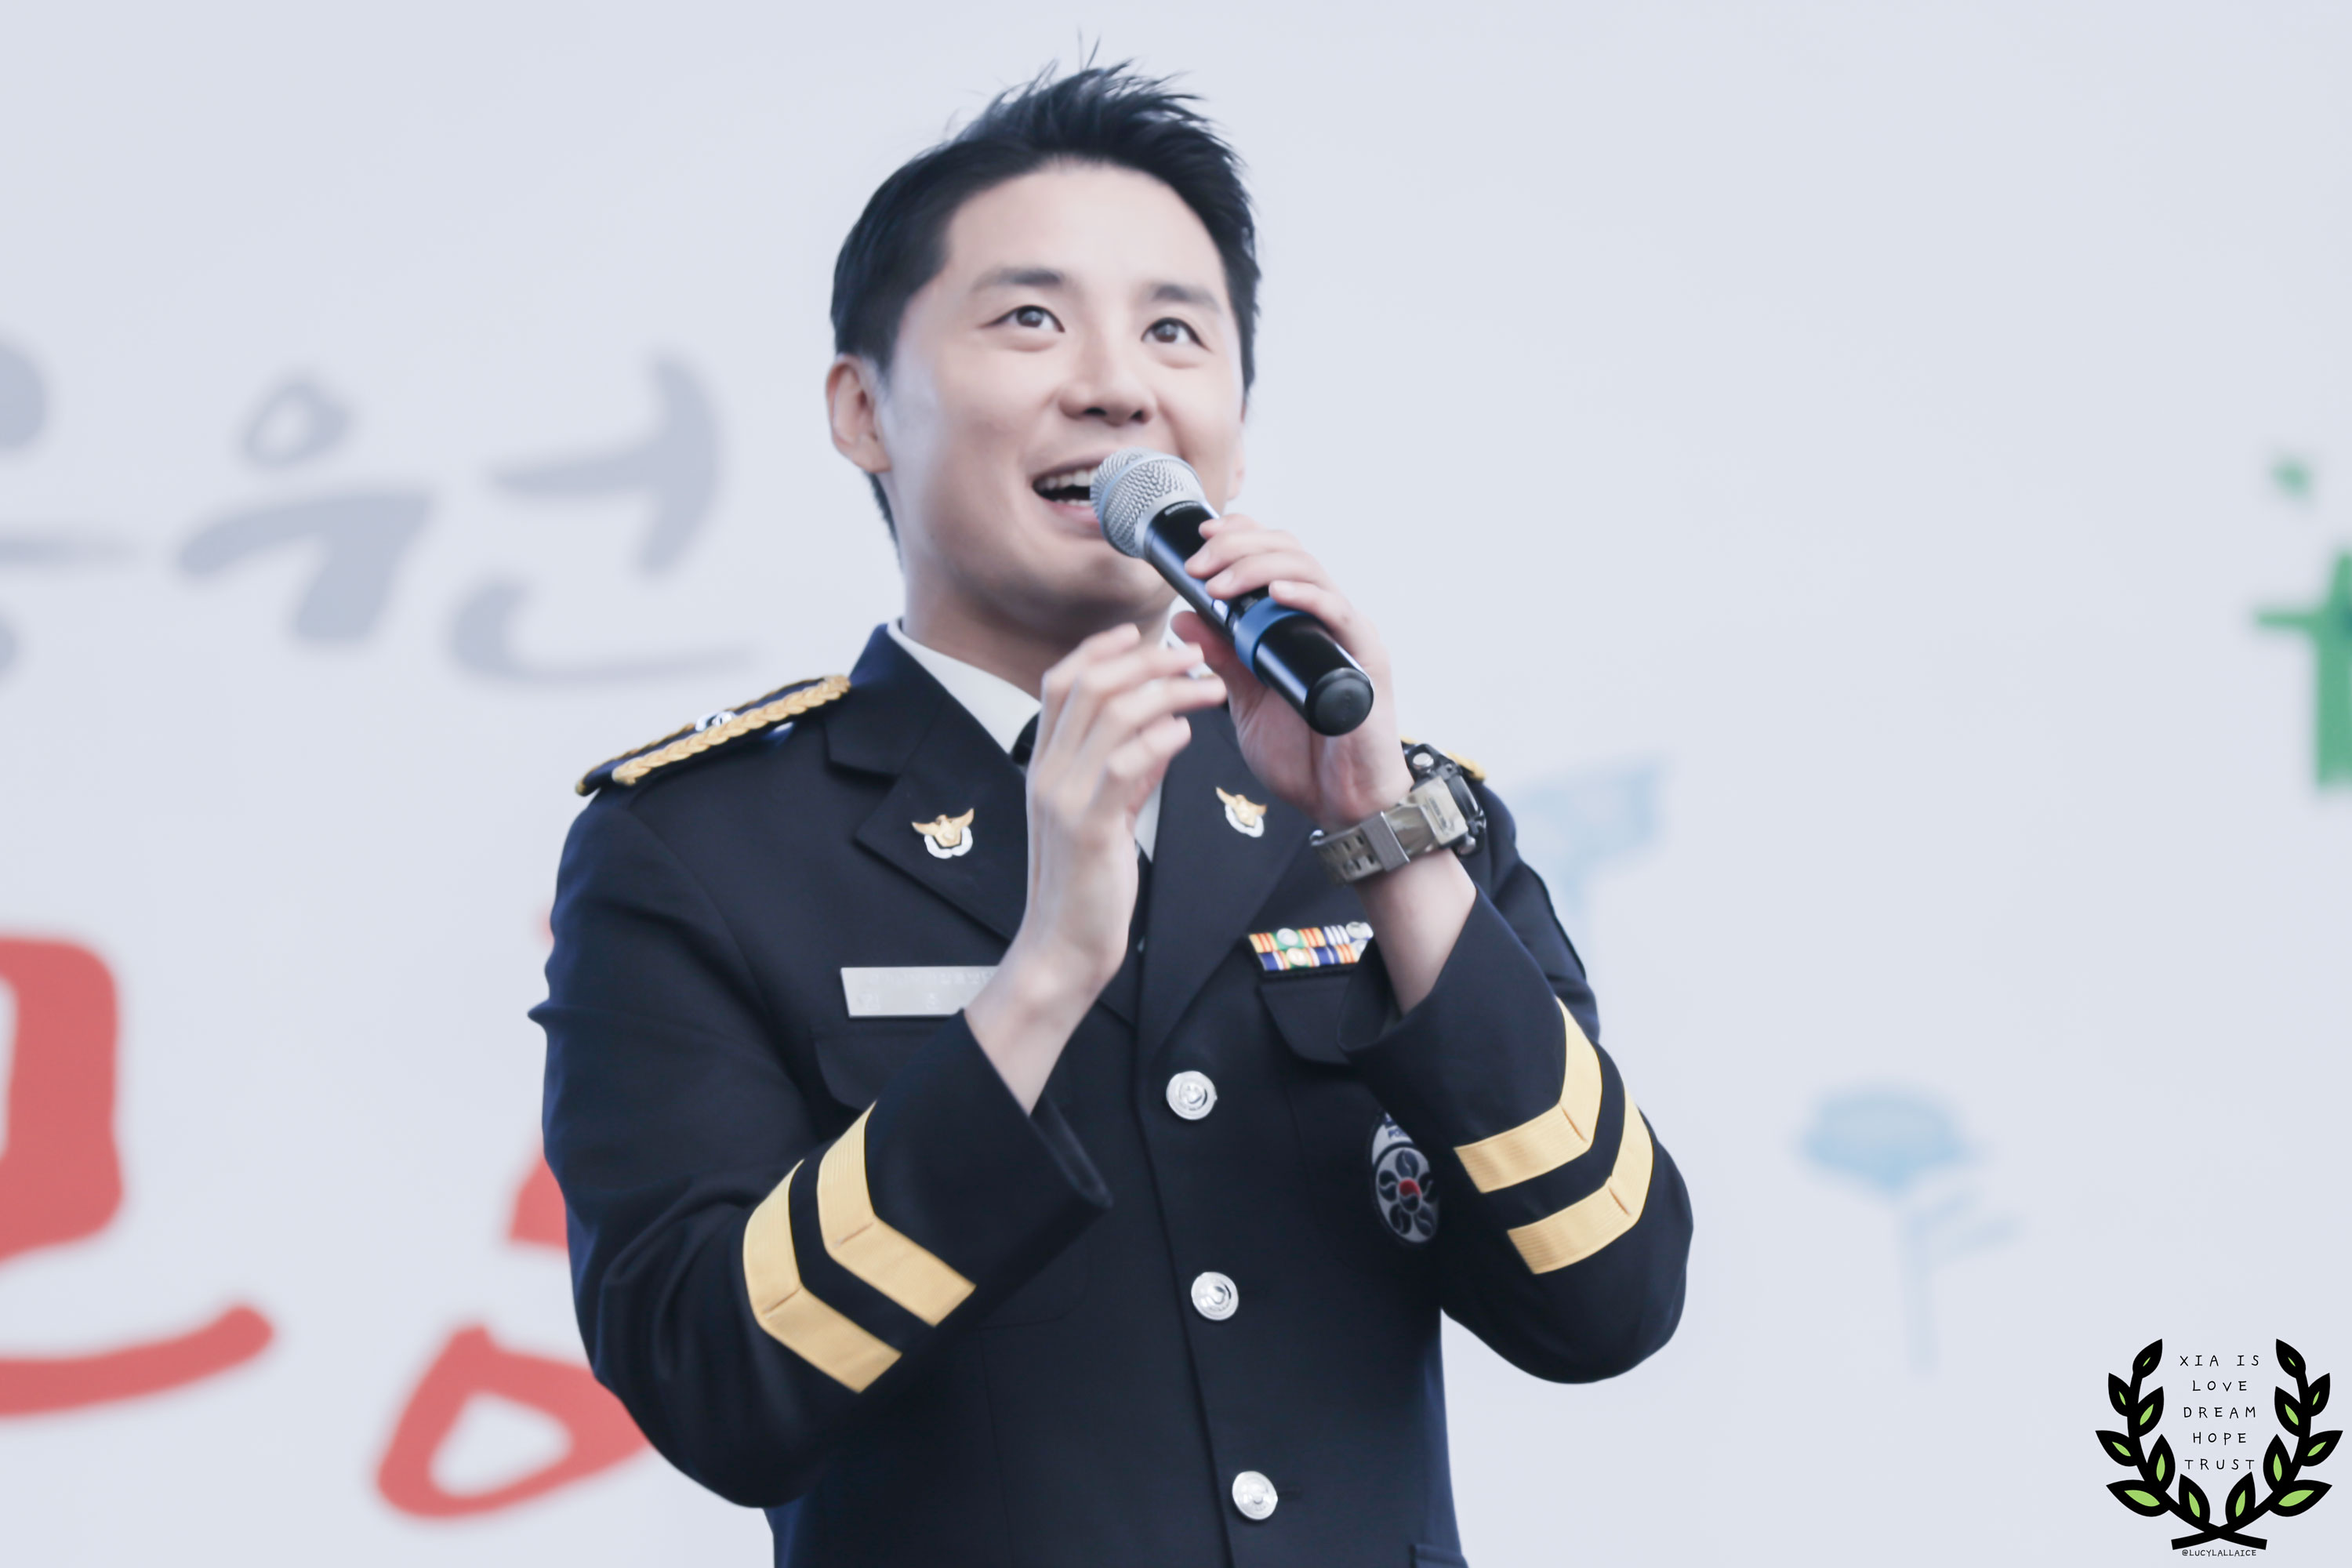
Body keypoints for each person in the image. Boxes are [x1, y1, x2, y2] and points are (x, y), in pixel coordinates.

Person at [535, 64, 1692, 1568]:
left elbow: (1609, 1299)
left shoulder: (1395, 812)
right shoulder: (704, 847)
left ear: (1233, 427)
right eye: (1031, 319)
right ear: (863, 409)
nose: (1115, 387)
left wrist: (1387, 837)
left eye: (1174, 332)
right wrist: (1040, 982)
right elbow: (715, 1385)